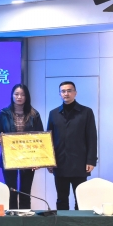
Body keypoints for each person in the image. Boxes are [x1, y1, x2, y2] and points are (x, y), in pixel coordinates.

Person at [47, 81, 97, 210]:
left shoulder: (86, 112)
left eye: (69, 91)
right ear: (60, 94)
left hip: (79, 163)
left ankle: (78, 223)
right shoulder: (53, 114)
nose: (66, 93)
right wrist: (49, 161)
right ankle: (62, 223)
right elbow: (48, 139)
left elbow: (92, 137)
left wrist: (91, 160)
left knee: (80, 199)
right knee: (61, 199)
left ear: (75, 93)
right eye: (63, 91)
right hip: (60, 162)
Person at [0, 84, 44, 209]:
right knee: (11, 190)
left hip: (29, 157)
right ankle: (12, 216)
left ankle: (25, 217)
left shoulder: (34, 114)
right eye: (16, 94)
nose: (19, 97)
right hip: (9, 157)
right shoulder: (4, 113)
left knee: (25, 191)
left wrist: (38, 160)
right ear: (12, 96)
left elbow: (41, 137)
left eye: (22, 94)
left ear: (27, 97)